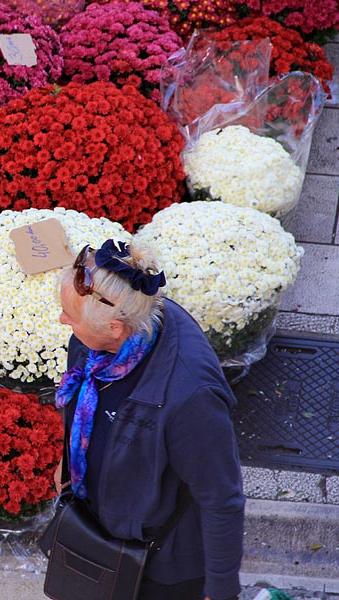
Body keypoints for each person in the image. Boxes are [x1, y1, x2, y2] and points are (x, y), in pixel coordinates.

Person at [52, 238, 244, 600]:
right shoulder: (103, 332)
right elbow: (80, 401)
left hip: (161, 567)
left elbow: (222, 499)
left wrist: (221, 592)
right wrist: (67, 459)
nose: (62, 319)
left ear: (115, 329)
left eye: (70, 315)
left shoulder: (191, 397)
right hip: (100, 531)